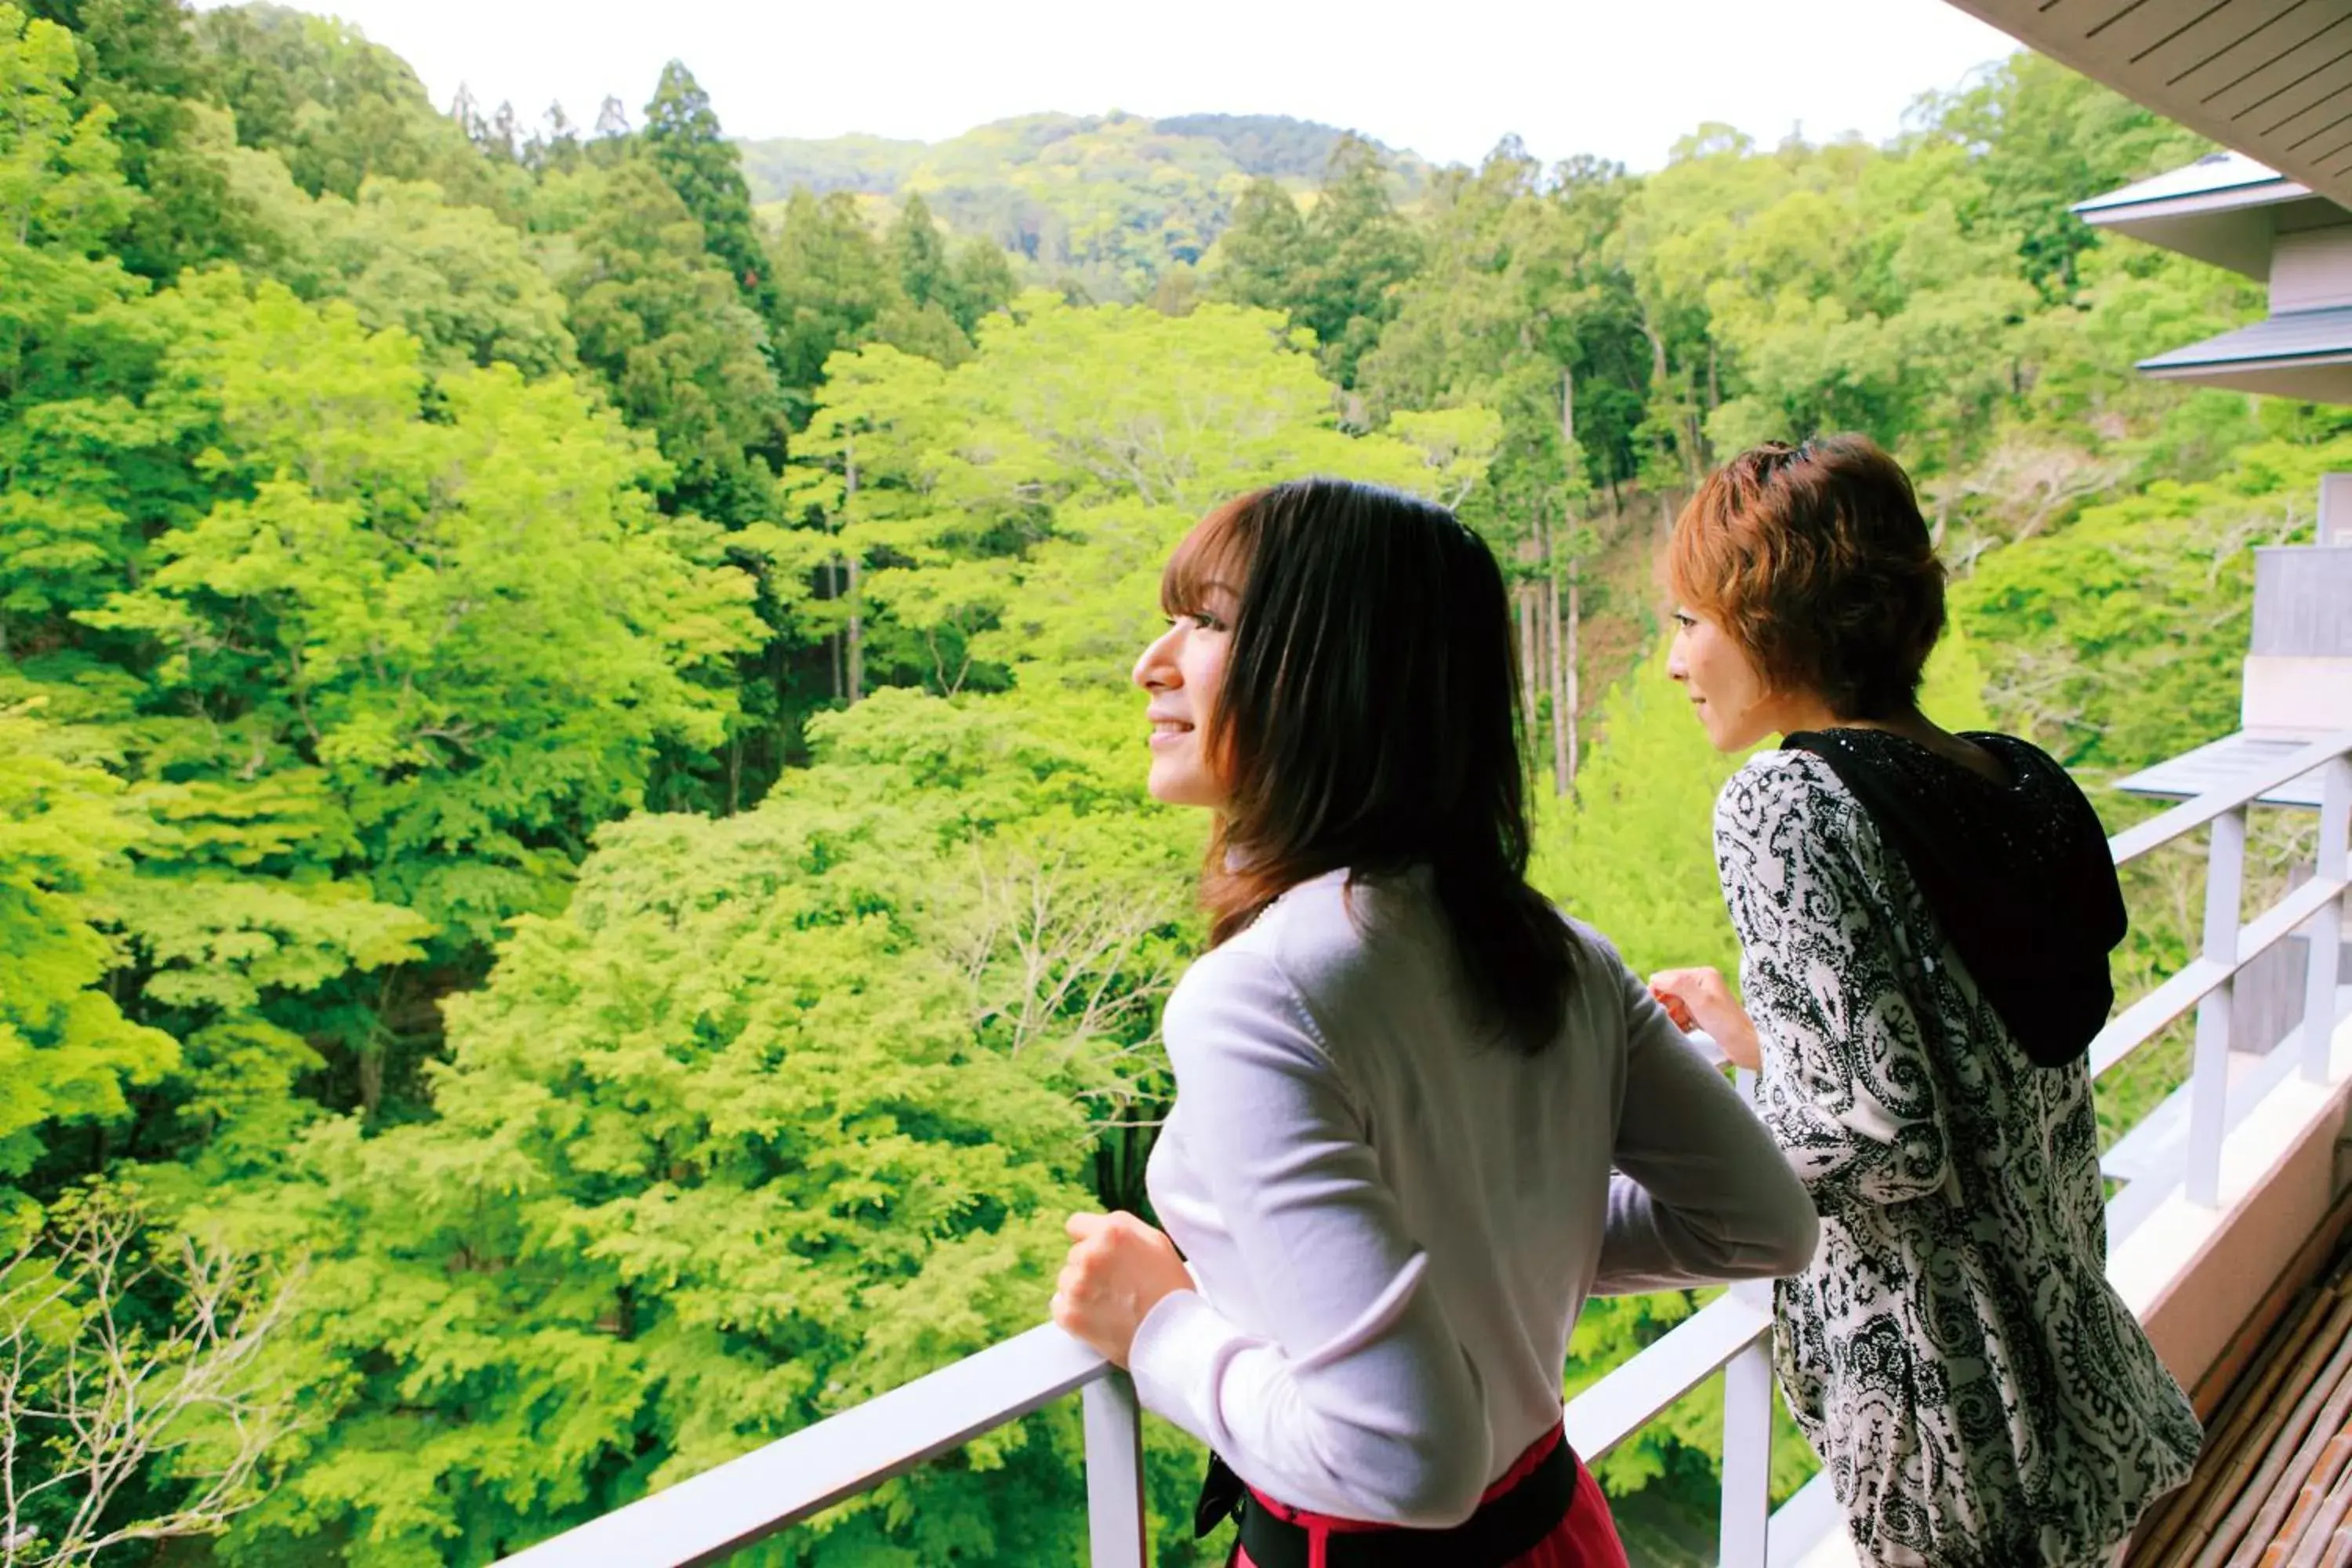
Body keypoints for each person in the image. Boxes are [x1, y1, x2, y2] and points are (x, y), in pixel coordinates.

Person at [1047, 477, 1820, 1568]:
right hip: (1558, 1528)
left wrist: (1158, 1329)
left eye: (1208, 622)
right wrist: (1513, 1233)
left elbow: (1410, 1459)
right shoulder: (1556, 950)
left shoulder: (1259, 997)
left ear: (1333, 675)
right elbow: (1762, 1224)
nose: (1152, 662)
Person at [1648, 436, 2201, 1568]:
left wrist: (1646, 1145)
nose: (1674, 662)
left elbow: (1884, 1144)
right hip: (2066, 1357)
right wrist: (1760, 1041)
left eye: (1687, 621)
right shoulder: (2012, 779)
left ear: (1769, 614)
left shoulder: (1783, 800)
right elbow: (1966, 1064)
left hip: (1938, 1394)